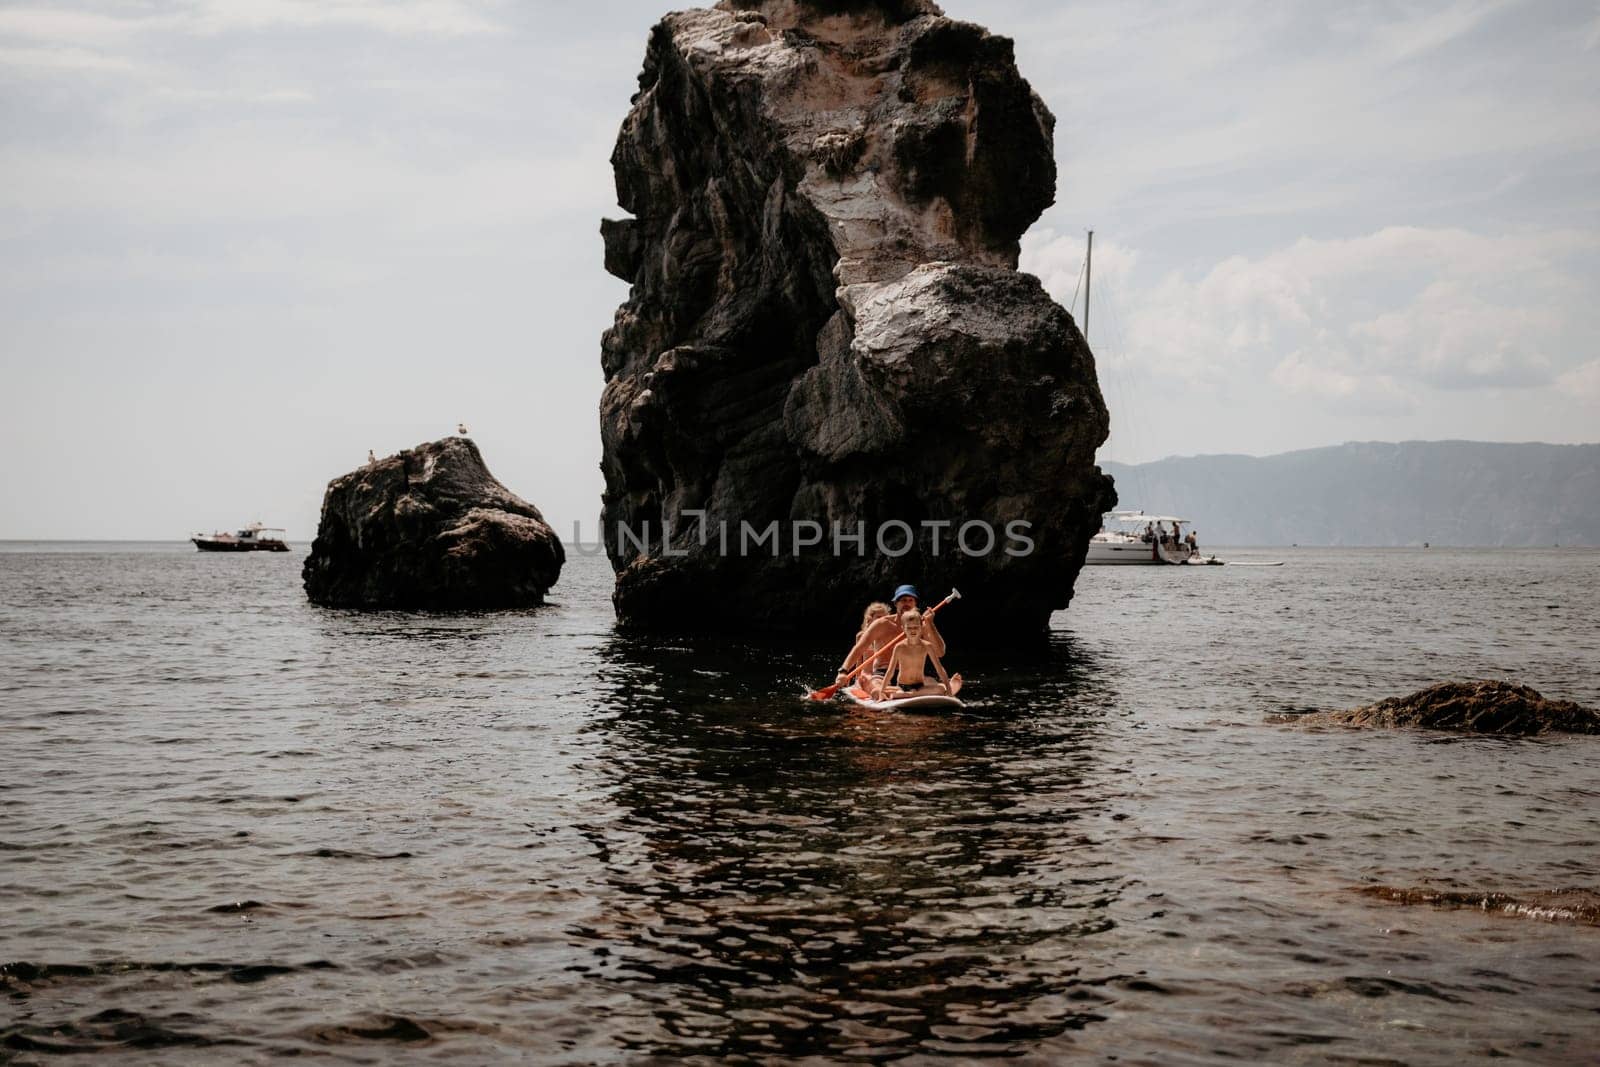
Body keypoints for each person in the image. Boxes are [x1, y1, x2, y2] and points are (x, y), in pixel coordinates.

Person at [835, 585, 945, 698]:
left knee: (934, 683)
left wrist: (931, 624)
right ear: (896, 603)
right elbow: (859, 648)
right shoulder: (882, 624)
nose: (907, 603)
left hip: (913, 675)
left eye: (910, 600)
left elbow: (939, 652)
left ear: (915, 604)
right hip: (883, 674)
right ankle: (913, 692)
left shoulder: (922, 626)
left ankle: (901, 693)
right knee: (876, 687)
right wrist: (843, 671)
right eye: (903, 600)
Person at [882, 610, 952, 697]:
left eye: (916, 627)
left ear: (921, 627)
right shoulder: (899, 647)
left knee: (941, 688)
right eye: (909, 628)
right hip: (902, 686)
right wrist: (882, 691)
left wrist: (949, 689)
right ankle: (910, 694)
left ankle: (910, 694)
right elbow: (890, 671)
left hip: (920, 686)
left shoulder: (927, 646)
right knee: (882, 690)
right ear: (903, 628)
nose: (913, 631)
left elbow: (939, 669)